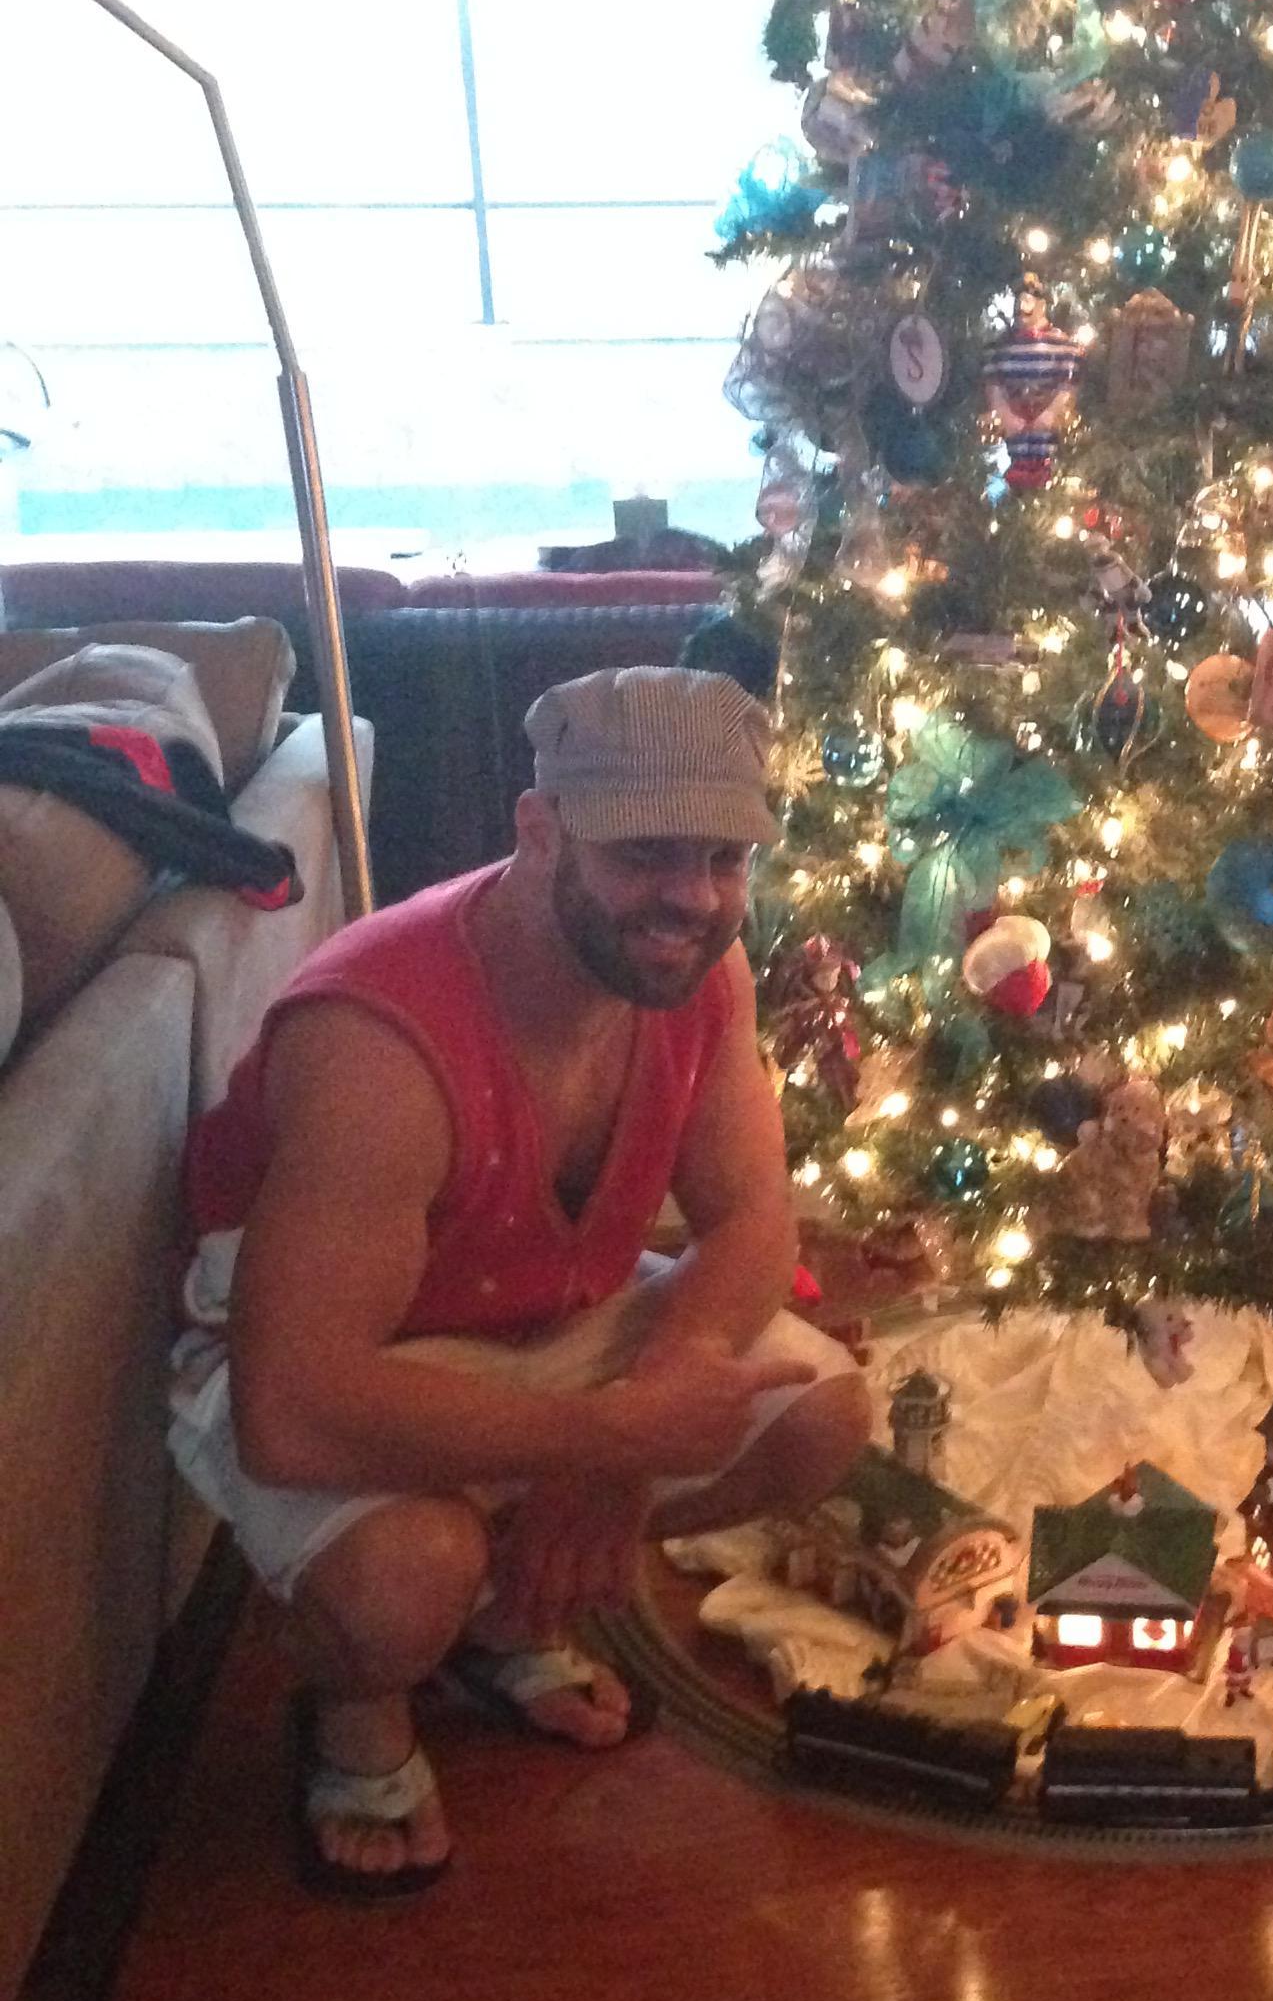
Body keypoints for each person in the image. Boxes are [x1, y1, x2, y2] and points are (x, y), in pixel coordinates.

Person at [172, 666, 869, 1898]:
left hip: (544, 1315)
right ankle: (355, 1704)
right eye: (647, 852)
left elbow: (758, 1226)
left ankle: (499, 1630)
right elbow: (292, 1411)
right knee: (401, 1581)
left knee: (824, 1414)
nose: (695, 899)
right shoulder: (378, 1043)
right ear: (540, 828)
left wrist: (617, 1448)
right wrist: (598, 1437)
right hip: (336, 1357)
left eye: (726, 858)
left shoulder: (705, 971)